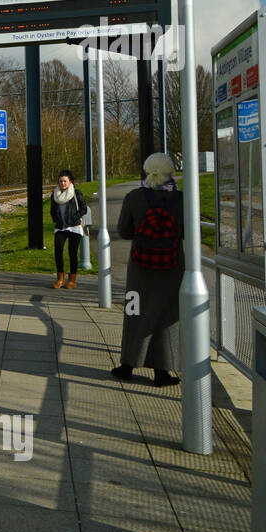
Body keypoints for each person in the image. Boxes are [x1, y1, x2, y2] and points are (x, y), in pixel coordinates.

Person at [113, 152, 184, 387]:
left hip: (140, 268)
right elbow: (187, 232)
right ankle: (162, 373)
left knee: (135, 312)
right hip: (171, 267)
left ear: (146, 171)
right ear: (170, 172)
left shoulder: (134, 197)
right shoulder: (182, 199)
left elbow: (124, 231)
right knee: (166, 315)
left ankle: (127, 365)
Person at [49, 169, 88, 289]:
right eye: (60, 181)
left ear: (70, 182)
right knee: (58, 252)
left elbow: (83, 208)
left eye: (65, 181)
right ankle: (60, 278)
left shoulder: (76, 193)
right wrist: (56, 219)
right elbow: (52, 210)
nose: (62, 183)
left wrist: (73, 218)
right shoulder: (55, 194)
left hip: (74, 227)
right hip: (61, 227)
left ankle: (72, 280)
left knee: (72, 253)